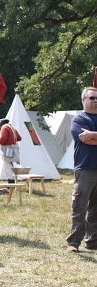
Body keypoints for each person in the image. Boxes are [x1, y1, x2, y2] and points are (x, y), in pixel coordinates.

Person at [66, 86, 97, 253]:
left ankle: (93, 241)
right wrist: (91, 137)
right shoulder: (79, 120)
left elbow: (90, 139)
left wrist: (92, 134)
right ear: (84, 100)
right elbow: (84, 140)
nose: (95, 100)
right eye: (92, 98)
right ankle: (74, 242)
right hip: (85, 168)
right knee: (80, 205)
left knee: (96, 208)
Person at [0, 118, 22, 183]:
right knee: (10, 165)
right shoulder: (12, 128)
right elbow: (19, 138)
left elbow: (3, 139)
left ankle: (11, 184)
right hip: (14, 149)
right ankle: (13, 182)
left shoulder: (4, 127)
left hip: (8, 149)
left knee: (7, 167)